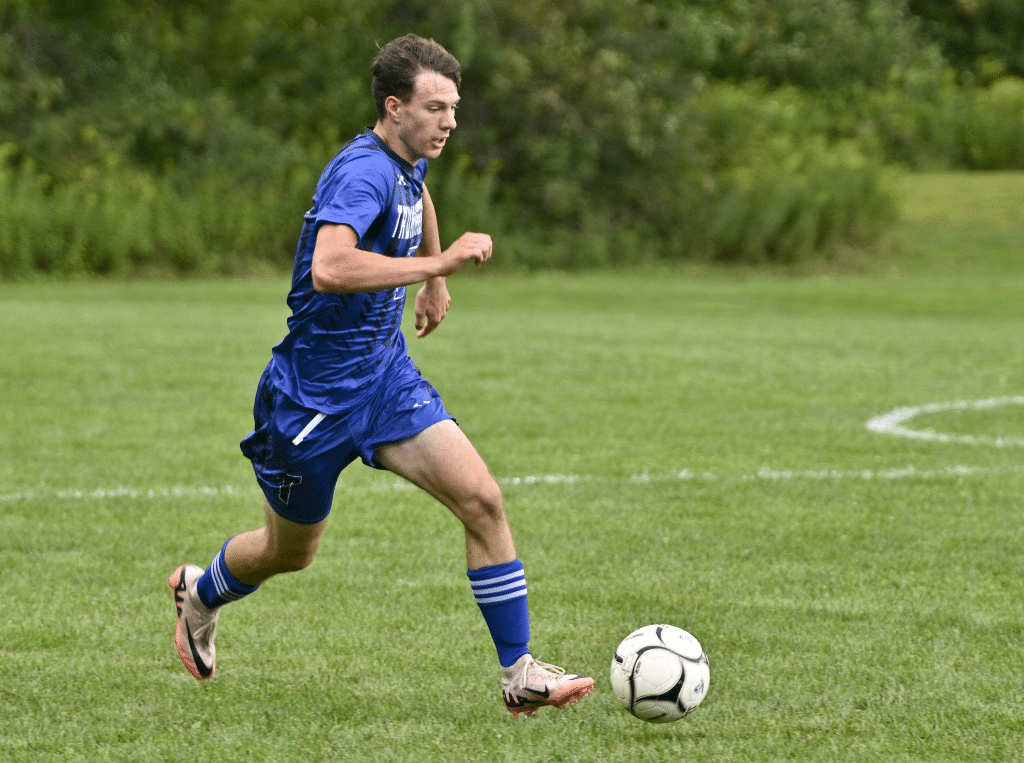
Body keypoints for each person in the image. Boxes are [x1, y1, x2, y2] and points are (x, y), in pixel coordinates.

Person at [168, 33, 593, 718]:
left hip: (385, 382)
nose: (448, 122)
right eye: (434, 108)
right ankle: (202, 590)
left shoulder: (407, 161)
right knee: (288, 552)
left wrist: (429, 267)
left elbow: (416, 196)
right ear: (394, 108)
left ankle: (520, 673)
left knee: (482, 499)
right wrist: (438, 266)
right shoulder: (361, 172)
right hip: (310, 399)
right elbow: (329, 268)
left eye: (453, 107)